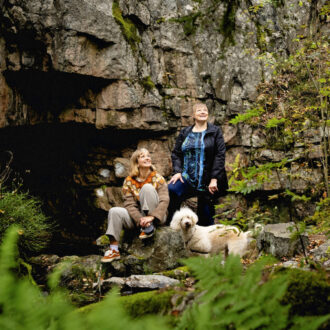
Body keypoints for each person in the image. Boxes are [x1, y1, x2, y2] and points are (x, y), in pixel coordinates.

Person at [101, 148, 169, 263]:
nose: (148, 158)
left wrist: (151, 217)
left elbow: (164, 200)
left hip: (157, 216)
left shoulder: (158, 178)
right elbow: (129, 205)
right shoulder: (128, 181)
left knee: (147, 188)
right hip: (138, 219)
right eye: (143, 156)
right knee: (114, 211)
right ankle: (113, 250)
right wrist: (140, 219)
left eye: (148, 155)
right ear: (136, 162)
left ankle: (149, 226)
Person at [167, 102, 228, 226]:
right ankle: (172, 224)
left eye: (205, 110)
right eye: (199, 110)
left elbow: (220, 155)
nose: (202, 112)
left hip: (207, 182)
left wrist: (214, 178)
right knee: (172, 189)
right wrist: (177, 172)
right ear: (193, 115)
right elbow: (176, 153)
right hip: (187, 178)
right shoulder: (185, 132)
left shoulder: (215, 131)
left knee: (206, 220)